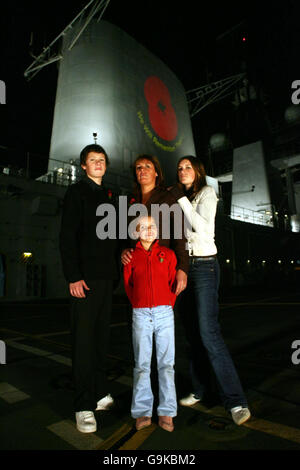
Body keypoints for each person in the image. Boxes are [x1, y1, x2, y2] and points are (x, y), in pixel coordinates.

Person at [169, 156, 251, 426]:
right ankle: (199, 389)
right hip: (184, 267)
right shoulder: (180, 196)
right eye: (179, 168)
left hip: (205, 267)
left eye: (187, 167)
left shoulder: (207, 193)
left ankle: (236, 400)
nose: (182, 171)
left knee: (208, 332)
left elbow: (202, 226)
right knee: (191, 334)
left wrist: (180, 199)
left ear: (198, 171)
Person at [59, 144, 119, 433]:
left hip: (106, 280)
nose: (98, 164)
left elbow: (114, 239)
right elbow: (67, 236)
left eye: (102, 160)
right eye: (93, 160)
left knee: (99, 339)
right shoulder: (77, 193)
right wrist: (73, 276)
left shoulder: (109, 196)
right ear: (84, 165)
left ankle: (98, 392)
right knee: (83, 342)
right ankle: (82, 405)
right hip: (84, 279)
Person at [123, 215, 177, 432]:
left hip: (165, 312)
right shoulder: (130, 257)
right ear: (136, 232)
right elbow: (128, 283)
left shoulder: (168, 254)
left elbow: (172, 280)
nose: (148, 230)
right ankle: (143, 411)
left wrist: (167, 304)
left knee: (166, 365)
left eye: (152, 226)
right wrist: (138, 303)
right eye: (143, 227)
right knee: (142, 364)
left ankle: (167, 411)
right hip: (140, 313)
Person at [121, 154, 188, 295]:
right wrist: (123, 250)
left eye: (147, 166)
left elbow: (180, 235)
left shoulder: (168, 198)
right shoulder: (129, 201)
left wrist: (182, 268)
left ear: (156, 173)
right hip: (137, 269)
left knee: (165, 311)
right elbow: (122, 235)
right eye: (139, 167)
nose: (142, 170)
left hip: (162, 267)